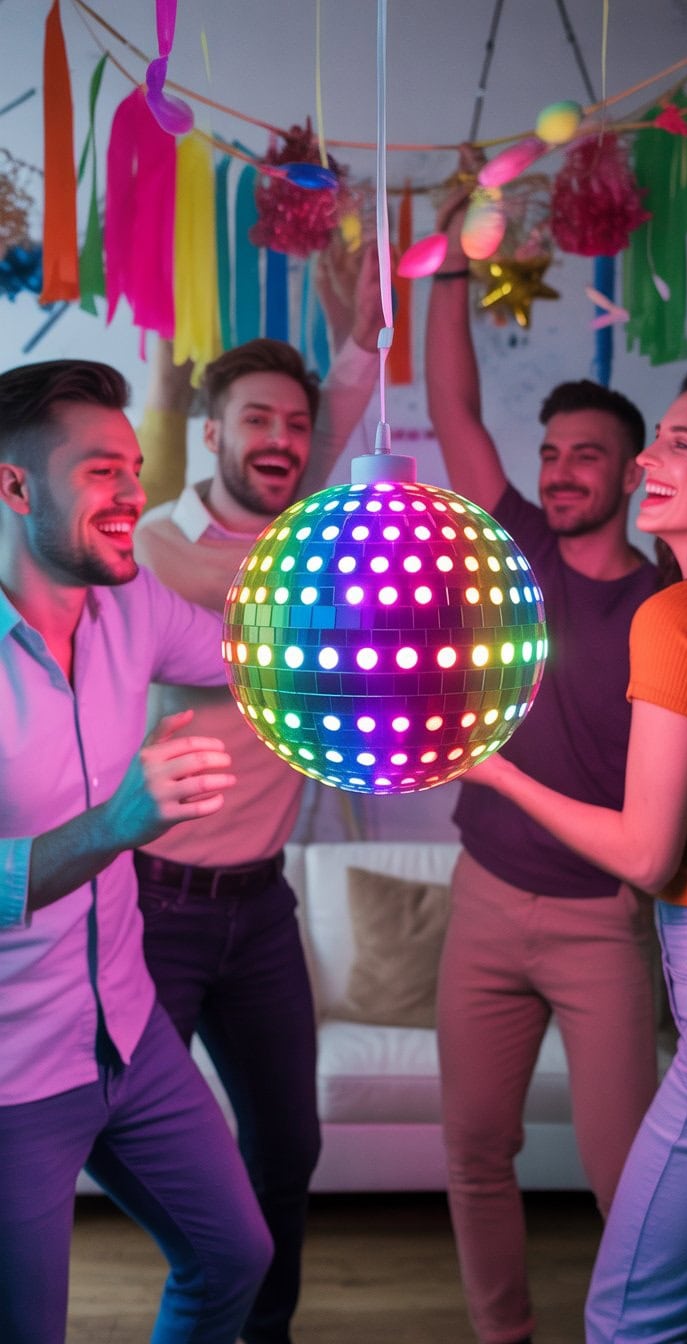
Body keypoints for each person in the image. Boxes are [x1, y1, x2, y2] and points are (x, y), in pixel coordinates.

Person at [467, 363, 687, 1341]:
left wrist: (495, 771)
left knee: (631, 1314)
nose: (649, 462)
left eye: (680, 443)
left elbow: (644, 856)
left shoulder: (680, 613)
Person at [424, 146, 660, 1344]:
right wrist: (454, 257)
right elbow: (453, 409)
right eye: (553, 452)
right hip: (482, 897)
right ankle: (503, 1335)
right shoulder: (509, 539)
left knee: (635, 1187)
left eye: (587, 456)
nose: (561, 472)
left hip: (601, 921)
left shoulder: (671, 606)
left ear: (633, 475)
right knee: (474, 1151)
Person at [132, 244, 381, 1344]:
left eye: (296, 425)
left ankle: (262, 1331)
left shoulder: (305, 532)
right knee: (138, 1144)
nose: (279, 441)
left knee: (289, 1149)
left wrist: (358, 335)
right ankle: (201, 1299)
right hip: (153, 907)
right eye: (256, 422)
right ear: (212, 433)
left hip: (261, 906)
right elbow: (233, 631)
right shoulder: (155, 546)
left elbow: (349, 408)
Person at [0, 358, 273, 1344]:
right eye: (100, 471)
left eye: (135, 468)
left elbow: (257, 656)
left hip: (130, 1031)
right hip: (13, 1076)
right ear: (15, 485)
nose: (132, 493)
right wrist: (117, 825)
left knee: (234, 1256)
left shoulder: (133, 607)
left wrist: (396, 621)